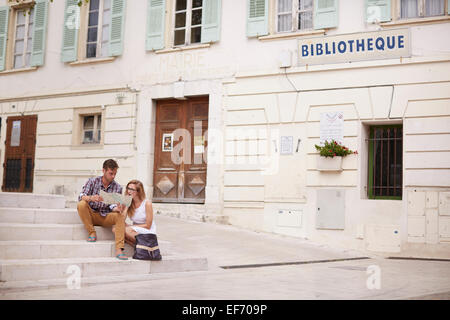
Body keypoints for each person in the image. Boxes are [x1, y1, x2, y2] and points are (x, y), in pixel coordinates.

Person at [77, 159, 128, 260]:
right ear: (103, 171)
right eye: (111, 173)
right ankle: (92, 232)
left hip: (105, 217)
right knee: (81, 204)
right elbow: (80, 196)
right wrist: (91, 198)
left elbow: (111, 205)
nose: (113, 176)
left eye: (115, 174)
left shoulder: (117, 187)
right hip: (91, 215)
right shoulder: (92, 181)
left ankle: (119, 249)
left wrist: (117, 208)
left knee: (119, 216)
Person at [120, 180, 156, 246]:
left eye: (132, 189)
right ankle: (138, 246)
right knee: (115, 229)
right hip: (134, 230)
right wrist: (127, 205)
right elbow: (121, 220)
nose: (129, 191)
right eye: (128, 188)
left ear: (138, 192)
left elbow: (148, 226)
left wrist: (131, 226)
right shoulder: (128, 202)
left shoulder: (147, 204)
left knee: (126, 230)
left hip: (147, 231)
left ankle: (146, 244)